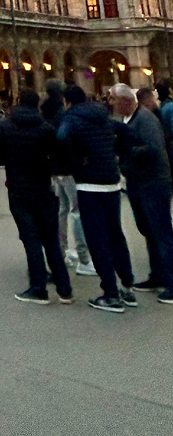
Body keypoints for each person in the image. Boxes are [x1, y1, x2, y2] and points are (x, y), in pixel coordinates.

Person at [57, 84, 136, 313]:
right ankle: (127, 287)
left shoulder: (71, 117)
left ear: (67, 102)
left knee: (97, 239)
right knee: (115, 235)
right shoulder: (102, 114)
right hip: (111, 182)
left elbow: (61, 137)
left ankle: (110, 293)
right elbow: (126, 133)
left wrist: (76, 161)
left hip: (90, 185)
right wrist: (119, 156)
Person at [0, 88, 73, 304]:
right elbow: (58, 154)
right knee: (51, 239)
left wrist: (12, 158)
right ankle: (65, 290)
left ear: (18, 102)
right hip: (43, 188)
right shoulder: (45, 127)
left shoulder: (7, 126)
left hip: (18, 190)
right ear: (37, 104)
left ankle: (38, 289)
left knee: (31, 239)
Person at [110, 83, 173, 303]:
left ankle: (171, 280)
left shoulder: (145, 120)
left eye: (113, 99)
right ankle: (157, 275)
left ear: (126, 101)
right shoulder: (127, 120)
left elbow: (154, 149)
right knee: (148, 230)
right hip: (138, 182)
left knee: (161, 231)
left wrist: (125, 154)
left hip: (153, 182)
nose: (111, 103)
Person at [40, 79, 96, 276]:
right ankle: (84, 258)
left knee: (61, 211)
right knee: (77, 211)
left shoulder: (44, 110)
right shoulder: (67, 115)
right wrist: (79, 160)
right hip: (69, 170)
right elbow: (65, 138)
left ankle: (61, 253)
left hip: (55, 169)